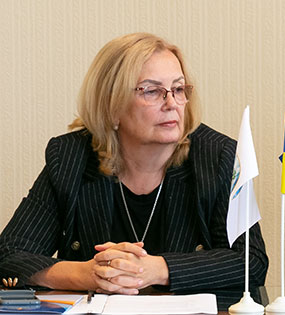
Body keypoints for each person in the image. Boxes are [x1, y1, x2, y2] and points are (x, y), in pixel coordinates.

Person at [0, 33, 268, 294]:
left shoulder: (217, 156)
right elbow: (9, 254)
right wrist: (87, 274)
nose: (172, 103)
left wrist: (157, 269)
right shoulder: (70, 157)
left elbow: (251, 261)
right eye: (151, 91)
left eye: (178, 89)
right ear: (112, 106)